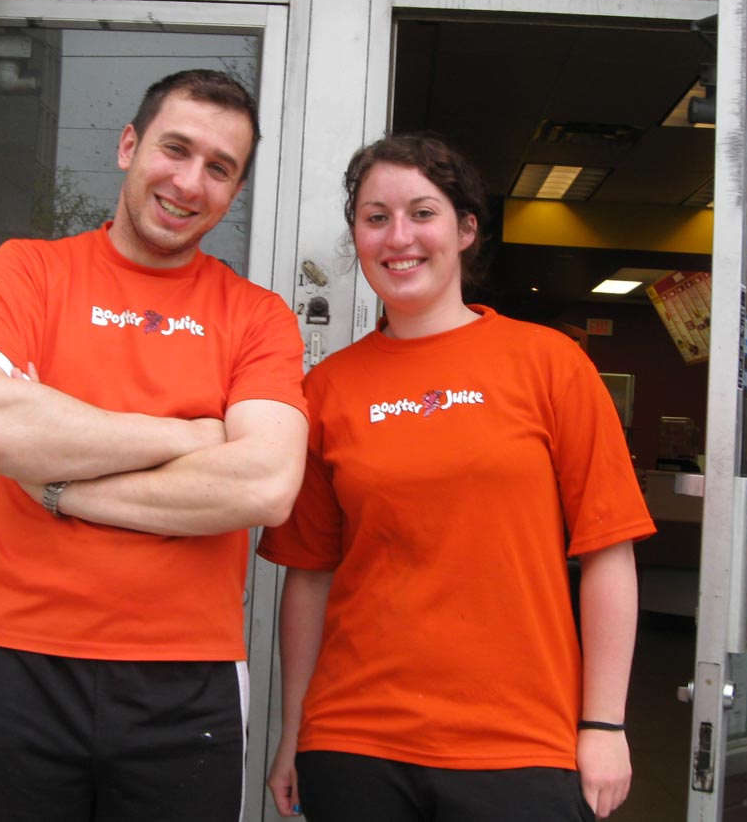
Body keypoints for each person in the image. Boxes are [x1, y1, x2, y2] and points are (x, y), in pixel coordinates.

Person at [0, 69, 310, 822]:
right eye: (175, 149)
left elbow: (265, 484)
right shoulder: (28, 271)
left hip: (188, 679)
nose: (189, 182)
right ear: (128, 146)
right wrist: (191, 435)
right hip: (21, 658)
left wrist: (59, 485)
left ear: (236, 190)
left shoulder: (257, 317)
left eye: (219, 168)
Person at [258, 134, 655, 821]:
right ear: (357, 237)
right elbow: (310, 577)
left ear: (466, 229)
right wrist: (294, 731)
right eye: (376, 217)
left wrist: (604, 723)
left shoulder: (551, 364)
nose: (399, 237)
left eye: (422, 213)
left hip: (520, 744)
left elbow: (608, 551)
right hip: (355, 741)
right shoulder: (326, 390)